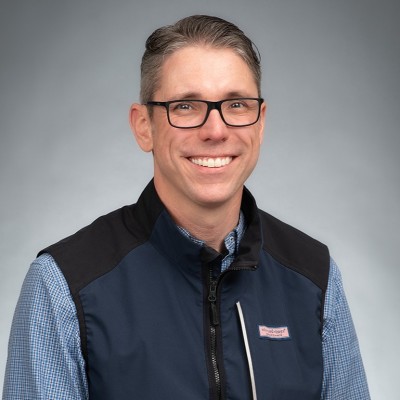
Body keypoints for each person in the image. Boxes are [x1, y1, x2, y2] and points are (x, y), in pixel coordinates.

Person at [3, 15, 370, 400]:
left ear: (260, 124)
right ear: (144, 126)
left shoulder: (316, 278)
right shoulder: (64, 286)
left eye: (236, 104)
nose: (215, 130)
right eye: (186, 106)